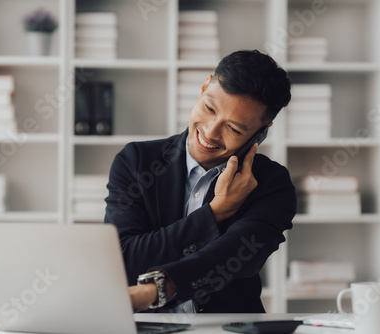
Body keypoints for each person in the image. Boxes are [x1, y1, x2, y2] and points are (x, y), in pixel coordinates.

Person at [104, 49, 296, 313]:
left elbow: (233, 258)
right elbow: (124, 259)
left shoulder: (271, 184)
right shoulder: (136, 161)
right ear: (205, 85)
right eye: (209, 108)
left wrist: (155, 289)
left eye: (234, 128)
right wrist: (216, 213)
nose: (210, 131)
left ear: (261, 132)